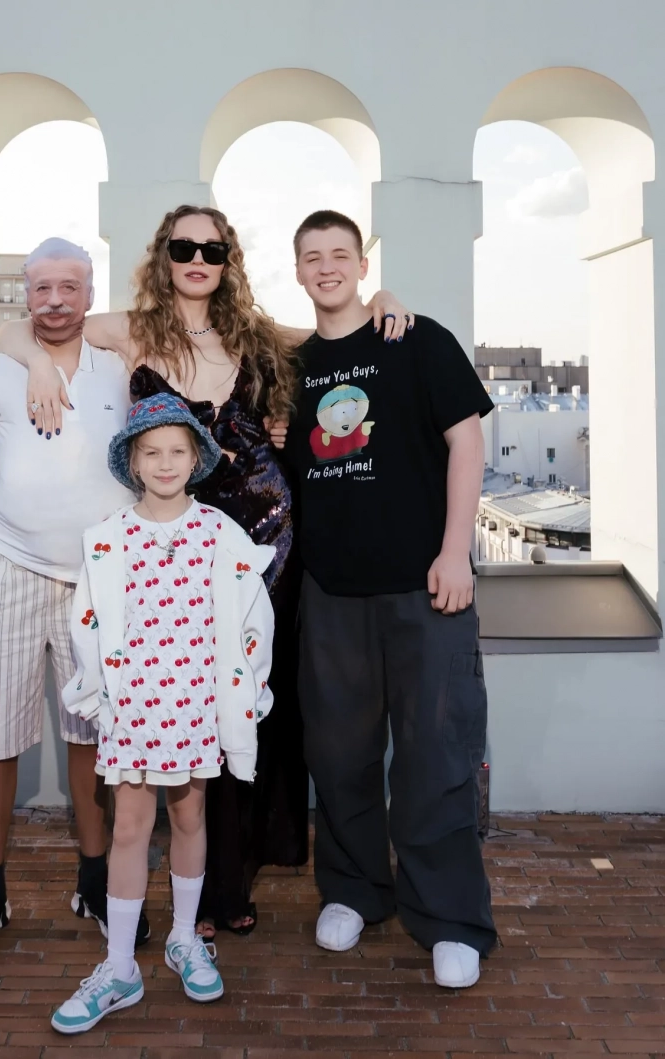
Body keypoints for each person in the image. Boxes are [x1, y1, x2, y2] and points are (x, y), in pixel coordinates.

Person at [0, 205, 412, 937]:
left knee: (248, 698)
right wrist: (34, 360)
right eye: (184, 247)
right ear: (165, 254)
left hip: (266, 540)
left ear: (228, 260)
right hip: (176, 546)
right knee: (189, 696)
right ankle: (201, 884)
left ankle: (231, 882)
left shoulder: (253, 331)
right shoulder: (132, 329)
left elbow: (333, 327)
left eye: (212, 250)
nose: (198, 259)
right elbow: (24, 328)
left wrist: (381, 297)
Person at [285, 210, 497, 989]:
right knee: (338, 754)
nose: (327, 266)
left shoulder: (417, 339)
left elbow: (466, 440)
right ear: (298, 271)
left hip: (425, 585)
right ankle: (354, 890)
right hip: (331, 590)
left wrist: (455, 549)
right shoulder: (292, 365)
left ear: (362, 263)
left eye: (340, 253)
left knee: (435, 753)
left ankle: (449, 918)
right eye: (313, 256)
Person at [0, 238, 149, 972]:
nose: (55, 301)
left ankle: (95, 881)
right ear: (24, 293)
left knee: (92, 735)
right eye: (41, 288)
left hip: (99, 578)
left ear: (90, 293)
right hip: (10, 567)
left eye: (69, 287)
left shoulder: (120, 366)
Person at [50, 395, 275, 1033]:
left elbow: (253, 615)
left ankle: (183, 936)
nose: (165, 462)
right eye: (152, 452)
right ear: (133, 461)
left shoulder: (219, 533)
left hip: (195, 707)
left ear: (195, 457)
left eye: (177, 450)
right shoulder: (109, 538)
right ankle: (120, 965)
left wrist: (247, 690)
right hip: (132, 710)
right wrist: (97, 695)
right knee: (128, 828)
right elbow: (87, 623)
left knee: (189, 816)